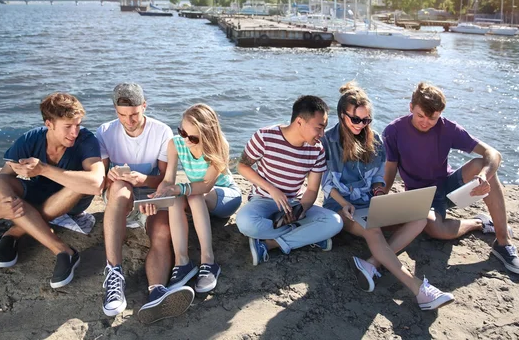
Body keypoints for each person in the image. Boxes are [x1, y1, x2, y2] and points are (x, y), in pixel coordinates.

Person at [321, 82, 454, 311]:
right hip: (341, 207)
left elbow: (378, 179)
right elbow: (326, 183)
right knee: (372, 229)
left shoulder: (375, 141)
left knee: (420, 217)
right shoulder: (327, 142)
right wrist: (344, 204)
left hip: (371, 205)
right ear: (342, 115)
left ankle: (372, 263)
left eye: (366, 120)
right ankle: (418, 289)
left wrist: (380, 193)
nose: (361, 125)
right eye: (356, 119)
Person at [383, 82, 519, 275]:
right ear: (411, 107)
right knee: (437, 230)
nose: (426, 122)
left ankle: (503, 243)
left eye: (433, 118)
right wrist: (381, 197)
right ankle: (479, 223)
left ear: (440, 114)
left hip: (449, 187)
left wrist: (483, 175)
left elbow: (493, 153)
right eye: (420, 116)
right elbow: (391, 169)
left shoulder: (447, 128)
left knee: (480, 164)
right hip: (422, 198)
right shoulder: (393, 131)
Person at [96, 83, 194, 323]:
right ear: (115, 112)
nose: (129, 121)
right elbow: (102, 177)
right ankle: (114, 273)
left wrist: (145, 182)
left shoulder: (162, 132)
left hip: (151, 195)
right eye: (122, 115)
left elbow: (163, 178)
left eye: (134, 114)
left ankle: (156, 291)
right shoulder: (105, 131)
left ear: (144, 107)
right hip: (120, 199)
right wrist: (109, 175)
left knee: (162, 230)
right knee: (120, 188)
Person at [0, 92, 105, 288]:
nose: (75, 132)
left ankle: (15, 232)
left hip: (70, 200)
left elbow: (96, 183)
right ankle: (64, 250)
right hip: (38, 194)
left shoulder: (86, 140)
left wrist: (44, 169)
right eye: (68, 126)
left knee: (78, 184)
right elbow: (1, 180)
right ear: (49, 124)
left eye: (78, 124)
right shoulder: (31, 139)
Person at [235, 95, 343, 265]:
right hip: (262, 200)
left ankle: (272, 243)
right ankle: (307, 236)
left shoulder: (317, 150)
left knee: (335, 222)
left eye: (324, 128)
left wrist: (300, 210)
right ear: (300, 121)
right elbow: (242, 166)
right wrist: (272, 189)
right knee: (245, 223)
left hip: (294, 204)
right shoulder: (265, 136)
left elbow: (313, 190)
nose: (322, 135)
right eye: (319, 127)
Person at [152, 104, 242, 294]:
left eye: (192, 137)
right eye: (182, 132)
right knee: (175, 198)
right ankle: (182, 262)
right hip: (197, 195)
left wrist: (180, 188)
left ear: (207, 134)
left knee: (192, 195)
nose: (186, 140)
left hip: (224, 196)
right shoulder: (175, 144)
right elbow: (168, 179)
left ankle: (208, 262)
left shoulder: (219, 146)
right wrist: (160, 194)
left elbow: (206, 185)